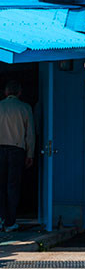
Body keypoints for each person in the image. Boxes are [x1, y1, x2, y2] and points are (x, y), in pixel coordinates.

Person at [0, 80, 34, 233]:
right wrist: (30, 154)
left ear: (6, 92)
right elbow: (30, 134)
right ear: (19, 93)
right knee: (12, 186)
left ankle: (0, 218)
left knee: (0, 186)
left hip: (0, 149)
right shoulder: (25, 108)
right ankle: (10, 221)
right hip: (17, 150)